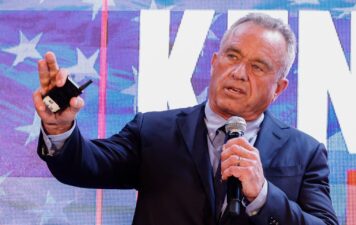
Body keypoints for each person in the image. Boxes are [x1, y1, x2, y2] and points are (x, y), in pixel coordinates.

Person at [33, 13, 338, 225]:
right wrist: (59, 128)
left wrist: (263, 196)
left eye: (258, 66)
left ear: (279, 88)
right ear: (215, 62)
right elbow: (86, 166)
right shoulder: (153, 131)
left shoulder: (305, 153)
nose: (238, 73)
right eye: (232, 56)